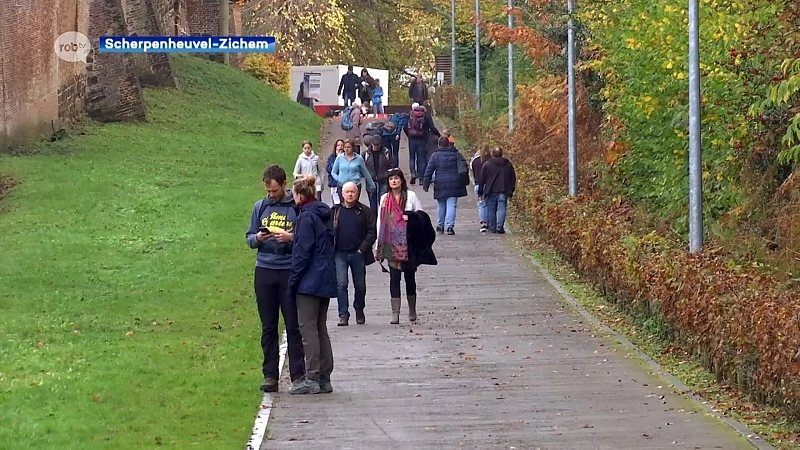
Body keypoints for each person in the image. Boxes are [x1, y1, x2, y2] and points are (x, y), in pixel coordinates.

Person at [245, 164, 305, 393]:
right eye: (268, 191)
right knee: (268, 325)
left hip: (288, 269)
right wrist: (258, 238)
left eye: (273, 191)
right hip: (265, 269)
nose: (270, 195)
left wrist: (290, 237)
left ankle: (298, 375)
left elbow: (305, 238)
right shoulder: (260, 207)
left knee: (293, 325)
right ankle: (270, 375)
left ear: (284, 184)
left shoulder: (296, 208)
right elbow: (249, 238)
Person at [287, 175, 337, 395]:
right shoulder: (323, 214)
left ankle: (312, 376)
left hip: (309, 280)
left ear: (299, 195)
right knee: (320, 327)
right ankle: (325, 376)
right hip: (325, 277)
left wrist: (293, 281)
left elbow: (302, 252)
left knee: (307, 328)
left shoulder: (306, 217)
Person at [375, 168, 437, 324]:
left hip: (408, 244)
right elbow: (380, 222)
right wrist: (378, 243)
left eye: (396, 178)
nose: (394, 181)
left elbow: (423, 217)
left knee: (409, 277)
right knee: (394, 278)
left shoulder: (411, 197)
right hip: (390, 242)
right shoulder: (384, 199)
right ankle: (395, 313)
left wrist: (410, 217)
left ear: (401, 180)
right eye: (391, 179)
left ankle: (412, 309)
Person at [331, 181, 377, 326]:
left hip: (358, 253)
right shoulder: (335, 211)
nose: (350, 194)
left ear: (357, 193)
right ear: (342, 194)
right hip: (340, 253)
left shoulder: (365, 211)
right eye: (347, 192)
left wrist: (362, 249)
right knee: (341, 284)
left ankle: (359, 309)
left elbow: (372, 232)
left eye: (353, 192)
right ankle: (343, 314)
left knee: (360, 285)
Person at [422, 136, 469, 235]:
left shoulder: (435, 156)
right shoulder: (456, 153)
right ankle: (450, 227)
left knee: (441, 204)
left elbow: (429, 170)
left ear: (439, 144)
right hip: (454, 182)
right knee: (452, 205)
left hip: (440, 182)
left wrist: (426, 183)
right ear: (448, 143)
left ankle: (440, 225)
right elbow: (464, 166)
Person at [477, 147, 517, 234]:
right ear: (501, 154)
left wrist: (480, 192)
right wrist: (511, 190)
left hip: (491, 190)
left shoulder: (487, 164)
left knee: (491, 209)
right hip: (504, 189)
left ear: (493, 154)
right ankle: (500, 227)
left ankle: (493, 226)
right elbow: (513, 178)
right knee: (502, 208)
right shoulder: (508, 164)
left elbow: (482, 179)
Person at [403, 103, 440, 185]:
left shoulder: (410, 115)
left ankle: (413, 173)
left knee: (412, 157)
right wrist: (439, 135)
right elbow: (432, 127)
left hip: (412, 139)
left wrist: (409, 135)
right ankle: (421, 178)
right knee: (421, 158)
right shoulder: (425, 116)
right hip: (422, 139)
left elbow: (405, 127)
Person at [363, 135, 394, 213]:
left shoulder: (386, 152)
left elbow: (391, 164)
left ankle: (382, 220)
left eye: (378, 145)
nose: (376, 147)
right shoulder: (366, 154)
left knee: (383, 203)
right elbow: (362, 166)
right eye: (374, 145)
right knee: (372, 205)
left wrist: (388, 174)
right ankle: (374, 222)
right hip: (370, 180)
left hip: (383, 179)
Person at [470, 144, 492, 232]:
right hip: (490, 185)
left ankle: (483, 223)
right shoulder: (491, 160)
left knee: (481, 204)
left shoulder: (475, 161)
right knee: (489, 204)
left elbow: (471, 169)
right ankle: (491, 222)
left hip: (478, 184)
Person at [326, 139, 344, 205]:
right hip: (334, 184)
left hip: (343, 184)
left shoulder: (346, 157)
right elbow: (329, 169)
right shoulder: (331, 157)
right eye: (338, 145)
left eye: (342, 145)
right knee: (335, 203)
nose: (340, 147)